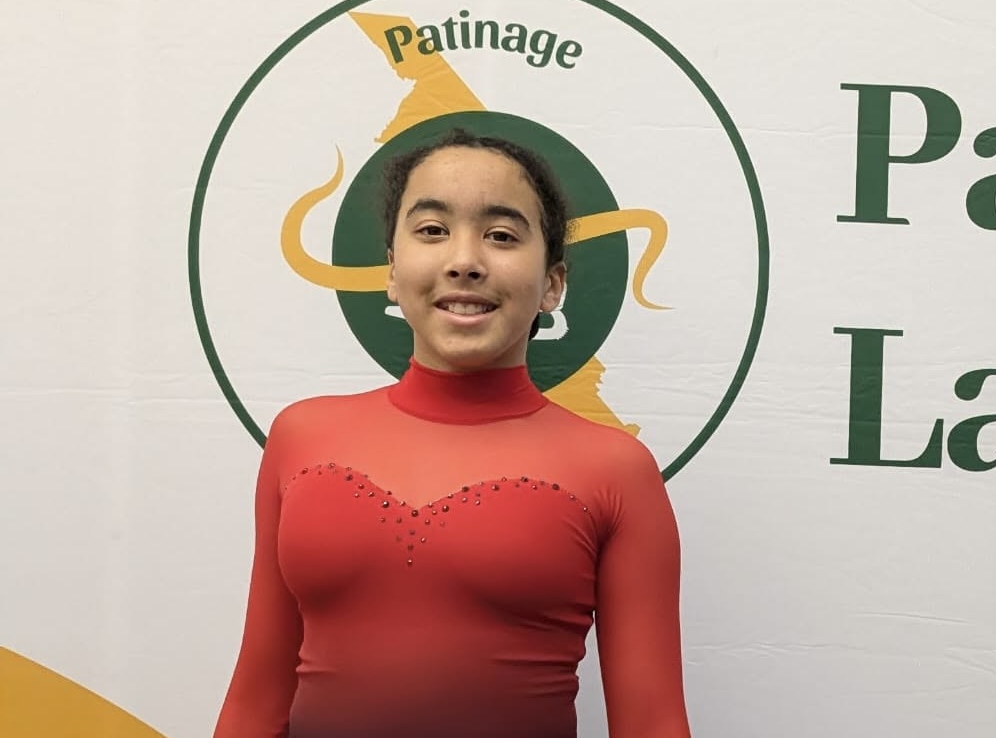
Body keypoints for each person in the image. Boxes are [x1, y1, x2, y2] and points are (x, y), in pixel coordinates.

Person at [212, 128, 691, 738]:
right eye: (433, 230)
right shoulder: (301, 438)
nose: (464, 261)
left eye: (501, 235)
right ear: (392, 270)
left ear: (552, 284)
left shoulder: (616, 470)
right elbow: (255, 703)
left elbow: (652, 723)